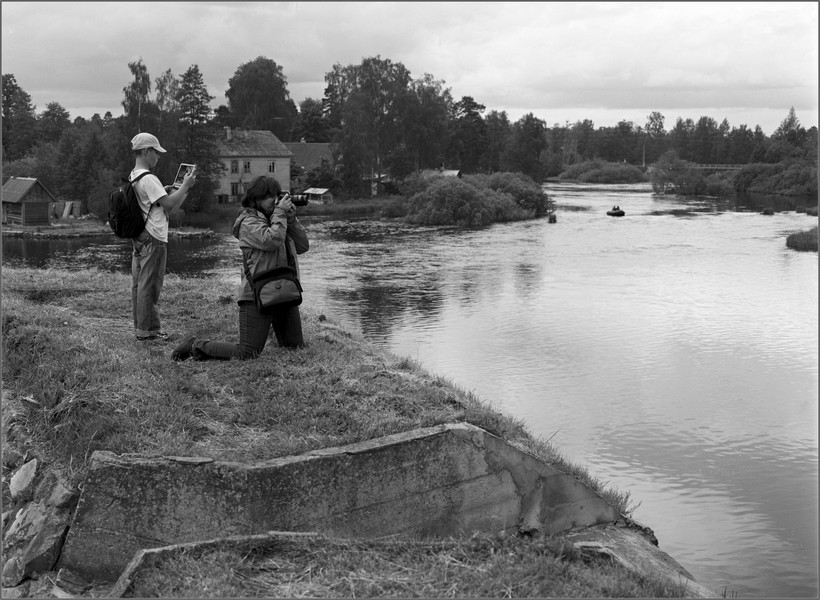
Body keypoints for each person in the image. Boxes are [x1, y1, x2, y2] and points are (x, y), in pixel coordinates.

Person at [171, 175, 309, 361]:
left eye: (276, 195)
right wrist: (280, 215)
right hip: (256, 294)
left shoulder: (279, 221)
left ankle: (268, 330)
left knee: (294, 346)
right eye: (270, 196)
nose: (274, 200)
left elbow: (302, 247)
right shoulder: (248, 222)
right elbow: (272, 241)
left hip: (283, 291)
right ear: (256, 198)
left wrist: (291, 220)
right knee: (248, 353)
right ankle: (196, 345)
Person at [130, 132, 196, 341]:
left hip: (140, 235)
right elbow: (168, 205)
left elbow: (168, 204)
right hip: (154, 236)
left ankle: (142, 328)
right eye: (156, 152)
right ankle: (149, 332)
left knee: (139, 284)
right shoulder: (149, 178)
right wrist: (185, 186)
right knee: (150, 284)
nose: (158, 157)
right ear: (146, 151)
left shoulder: (134, 175)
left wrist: (177, 191)